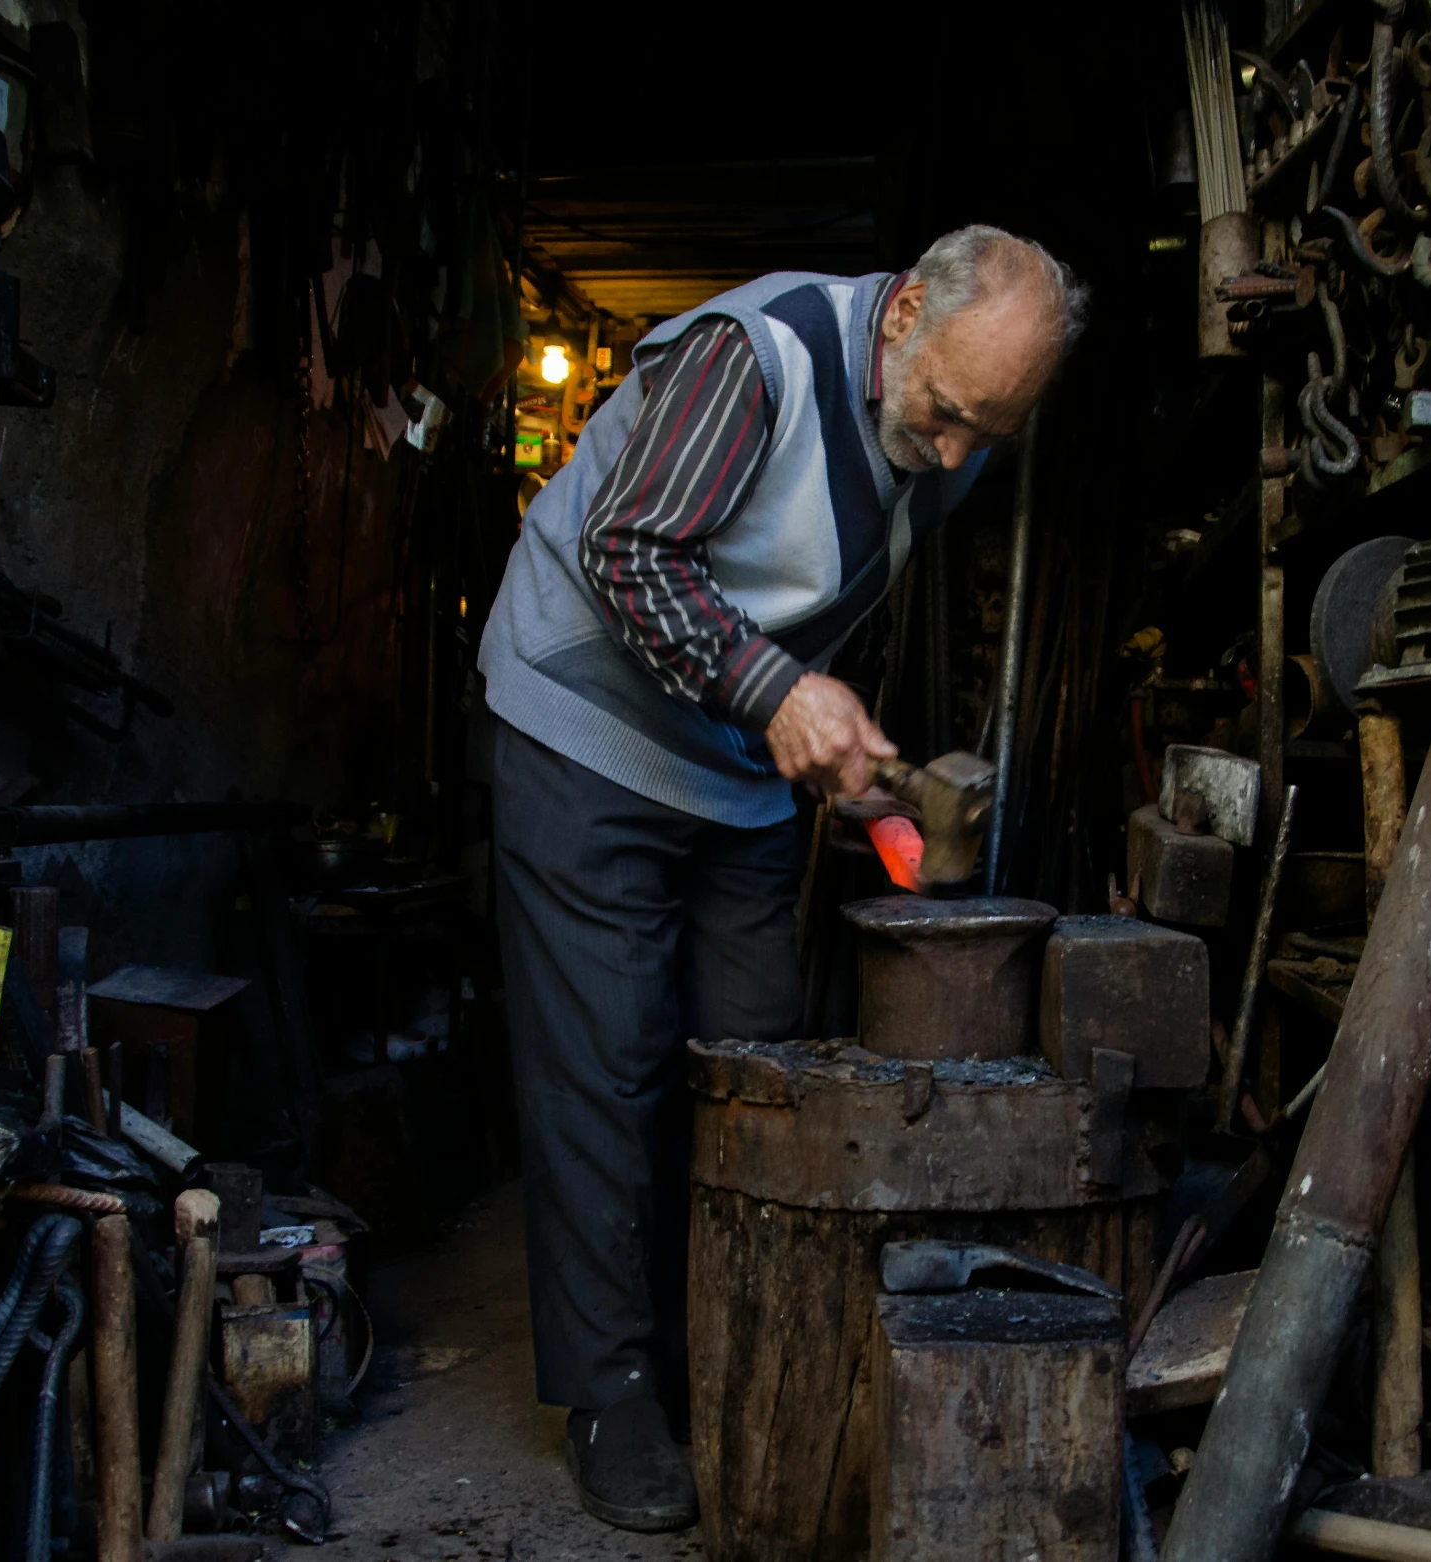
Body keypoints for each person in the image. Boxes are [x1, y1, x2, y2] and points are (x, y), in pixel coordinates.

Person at [476, 224, 1087, 1532]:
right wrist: (779, 692)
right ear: (904, 312)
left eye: (990, 433)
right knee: (611, 1058)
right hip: (578, 718)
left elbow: (795, 608)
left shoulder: (942, 431)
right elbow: (631, 549)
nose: (956, 454)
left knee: (751, 1044)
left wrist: (844, 769)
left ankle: (717, 1330)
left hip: (724, 752)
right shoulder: (756, 357)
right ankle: (616, 1385)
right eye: (947, 415)